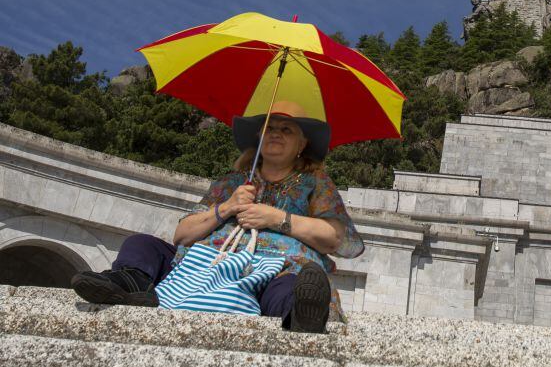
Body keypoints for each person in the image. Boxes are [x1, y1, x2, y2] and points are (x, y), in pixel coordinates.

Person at [70, 101, 364, 333]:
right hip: (208, 261)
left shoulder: (317, 184)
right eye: (270, 127)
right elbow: (182, 234)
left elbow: (335, 238)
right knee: (142, 245)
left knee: (290, 286)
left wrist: (277, 218)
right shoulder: (231, 182)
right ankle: (129, 283)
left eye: (287, 130)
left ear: (302, 144)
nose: (276, 133)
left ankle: (299, 314)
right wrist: (227, 207)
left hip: (276, 267)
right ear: (259, 137)